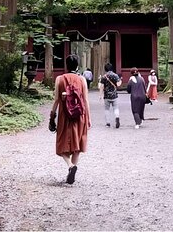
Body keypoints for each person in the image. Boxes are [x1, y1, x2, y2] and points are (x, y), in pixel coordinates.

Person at [49, 54, 91, 184]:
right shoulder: (82, 80)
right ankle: (72, 170)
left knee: (62, 143)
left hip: (64, 115)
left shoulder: (59, 79)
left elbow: (56, 100)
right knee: (77, 144)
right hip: (80, 115)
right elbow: (85, 100)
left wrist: (52, 116)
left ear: (66, 65)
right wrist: (88, 118)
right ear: (77, 66)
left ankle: (70, 166)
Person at [98, 63, 122, 128]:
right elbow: (118, 84)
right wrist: (120, 81)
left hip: (106, 96)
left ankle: (108, 123)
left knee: (107, 109)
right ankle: (117, 117)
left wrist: (100, 95)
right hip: (114, 95)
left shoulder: (104, 76)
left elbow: (101, 87)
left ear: (105, 69)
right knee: (116, 108)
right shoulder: (115, 75)